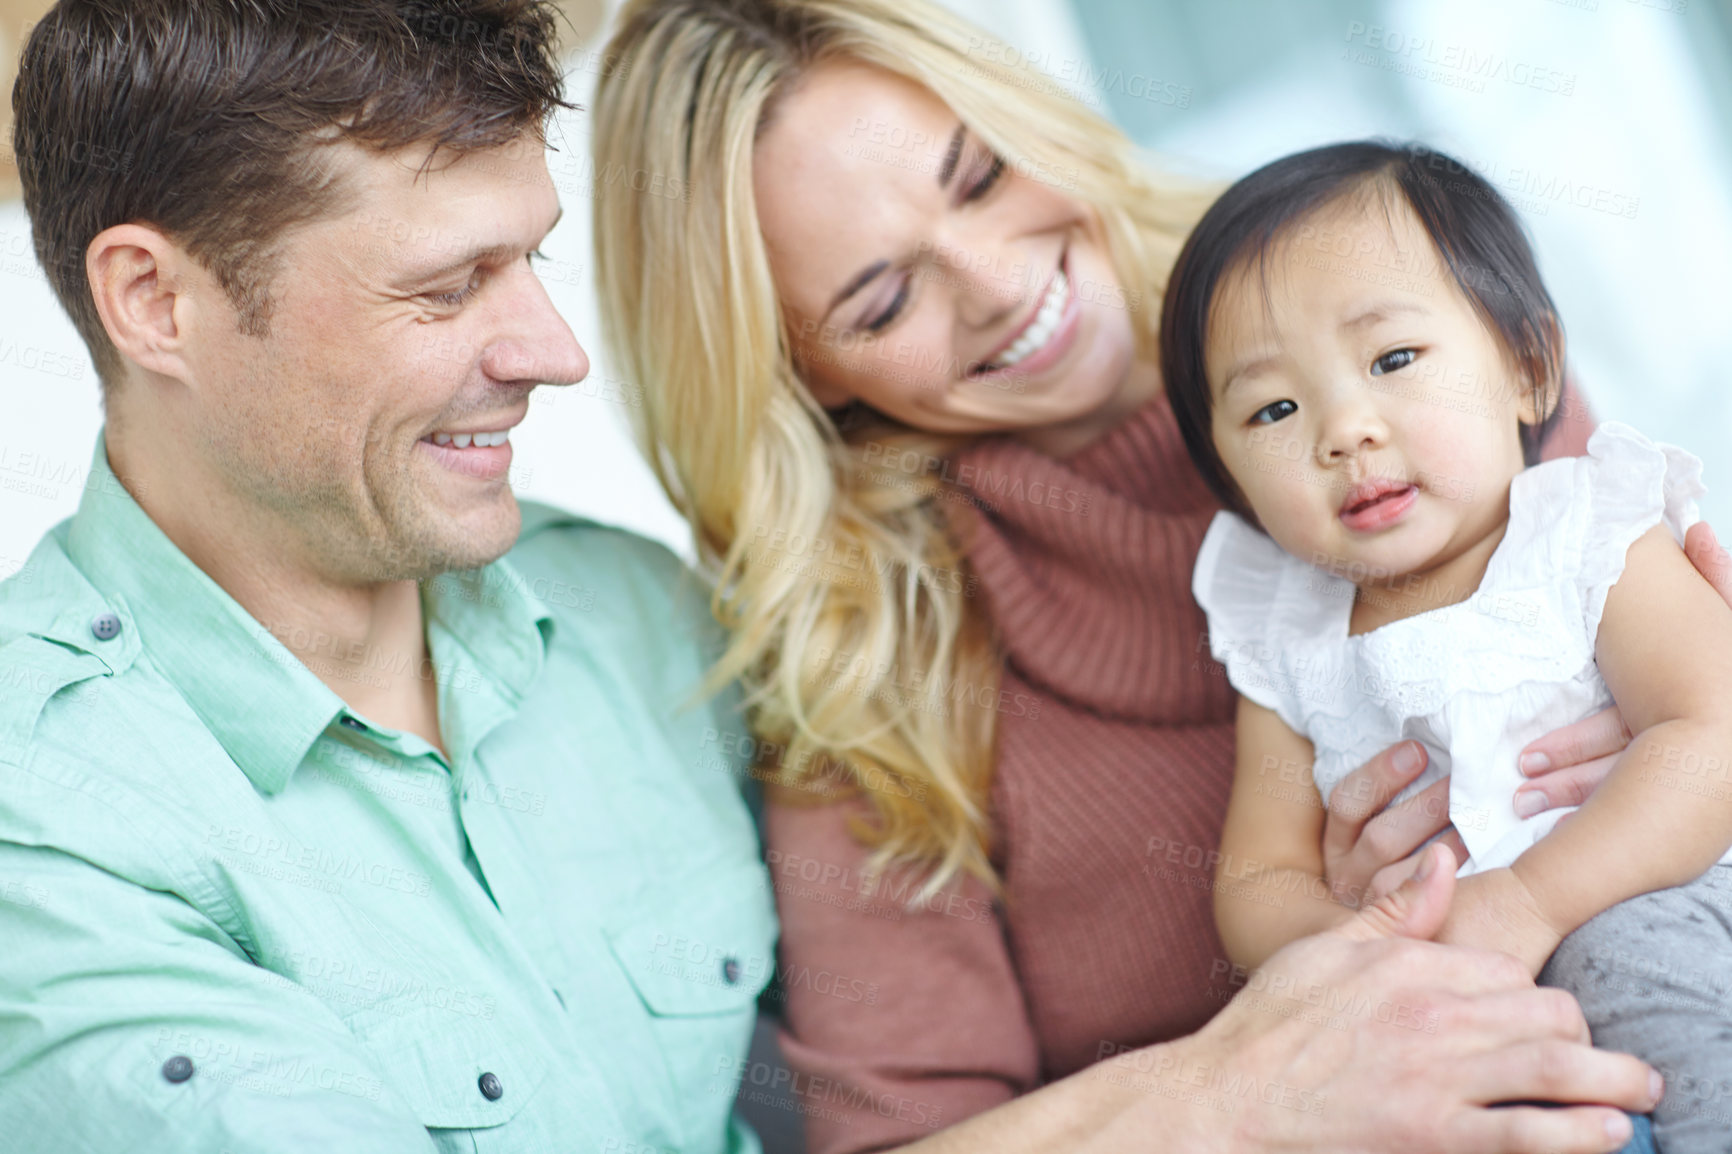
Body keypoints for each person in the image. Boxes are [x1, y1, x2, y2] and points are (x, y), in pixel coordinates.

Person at [588, 1, 1732, 1151]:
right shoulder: (869, 671)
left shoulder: (1388, 314)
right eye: (881, 299)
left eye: (981, 174)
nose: (992, 282)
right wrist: (1248, 1074)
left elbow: (1690, 712)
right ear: (798, 373)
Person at [0, 3, 779, 1150]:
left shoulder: (638, 611)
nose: (555, 353)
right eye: (449, 286)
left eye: (531, 256)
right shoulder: (42, 826)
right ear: (156, 303)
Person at [1170, 140, 1732, 1153]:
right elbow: (1257, 878)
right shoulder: (1289, 637)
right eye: (1273, 408)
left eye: (1391, 359)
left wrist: (1527, 900)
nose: (1344, 429)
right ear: (1232, 483)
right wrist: (1362, 954)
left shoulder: (1580, 530)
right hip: (1456, 994)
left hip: (1659, 894)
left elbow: (1713, 729)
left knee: (1629, 974)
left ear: (1527, 369)